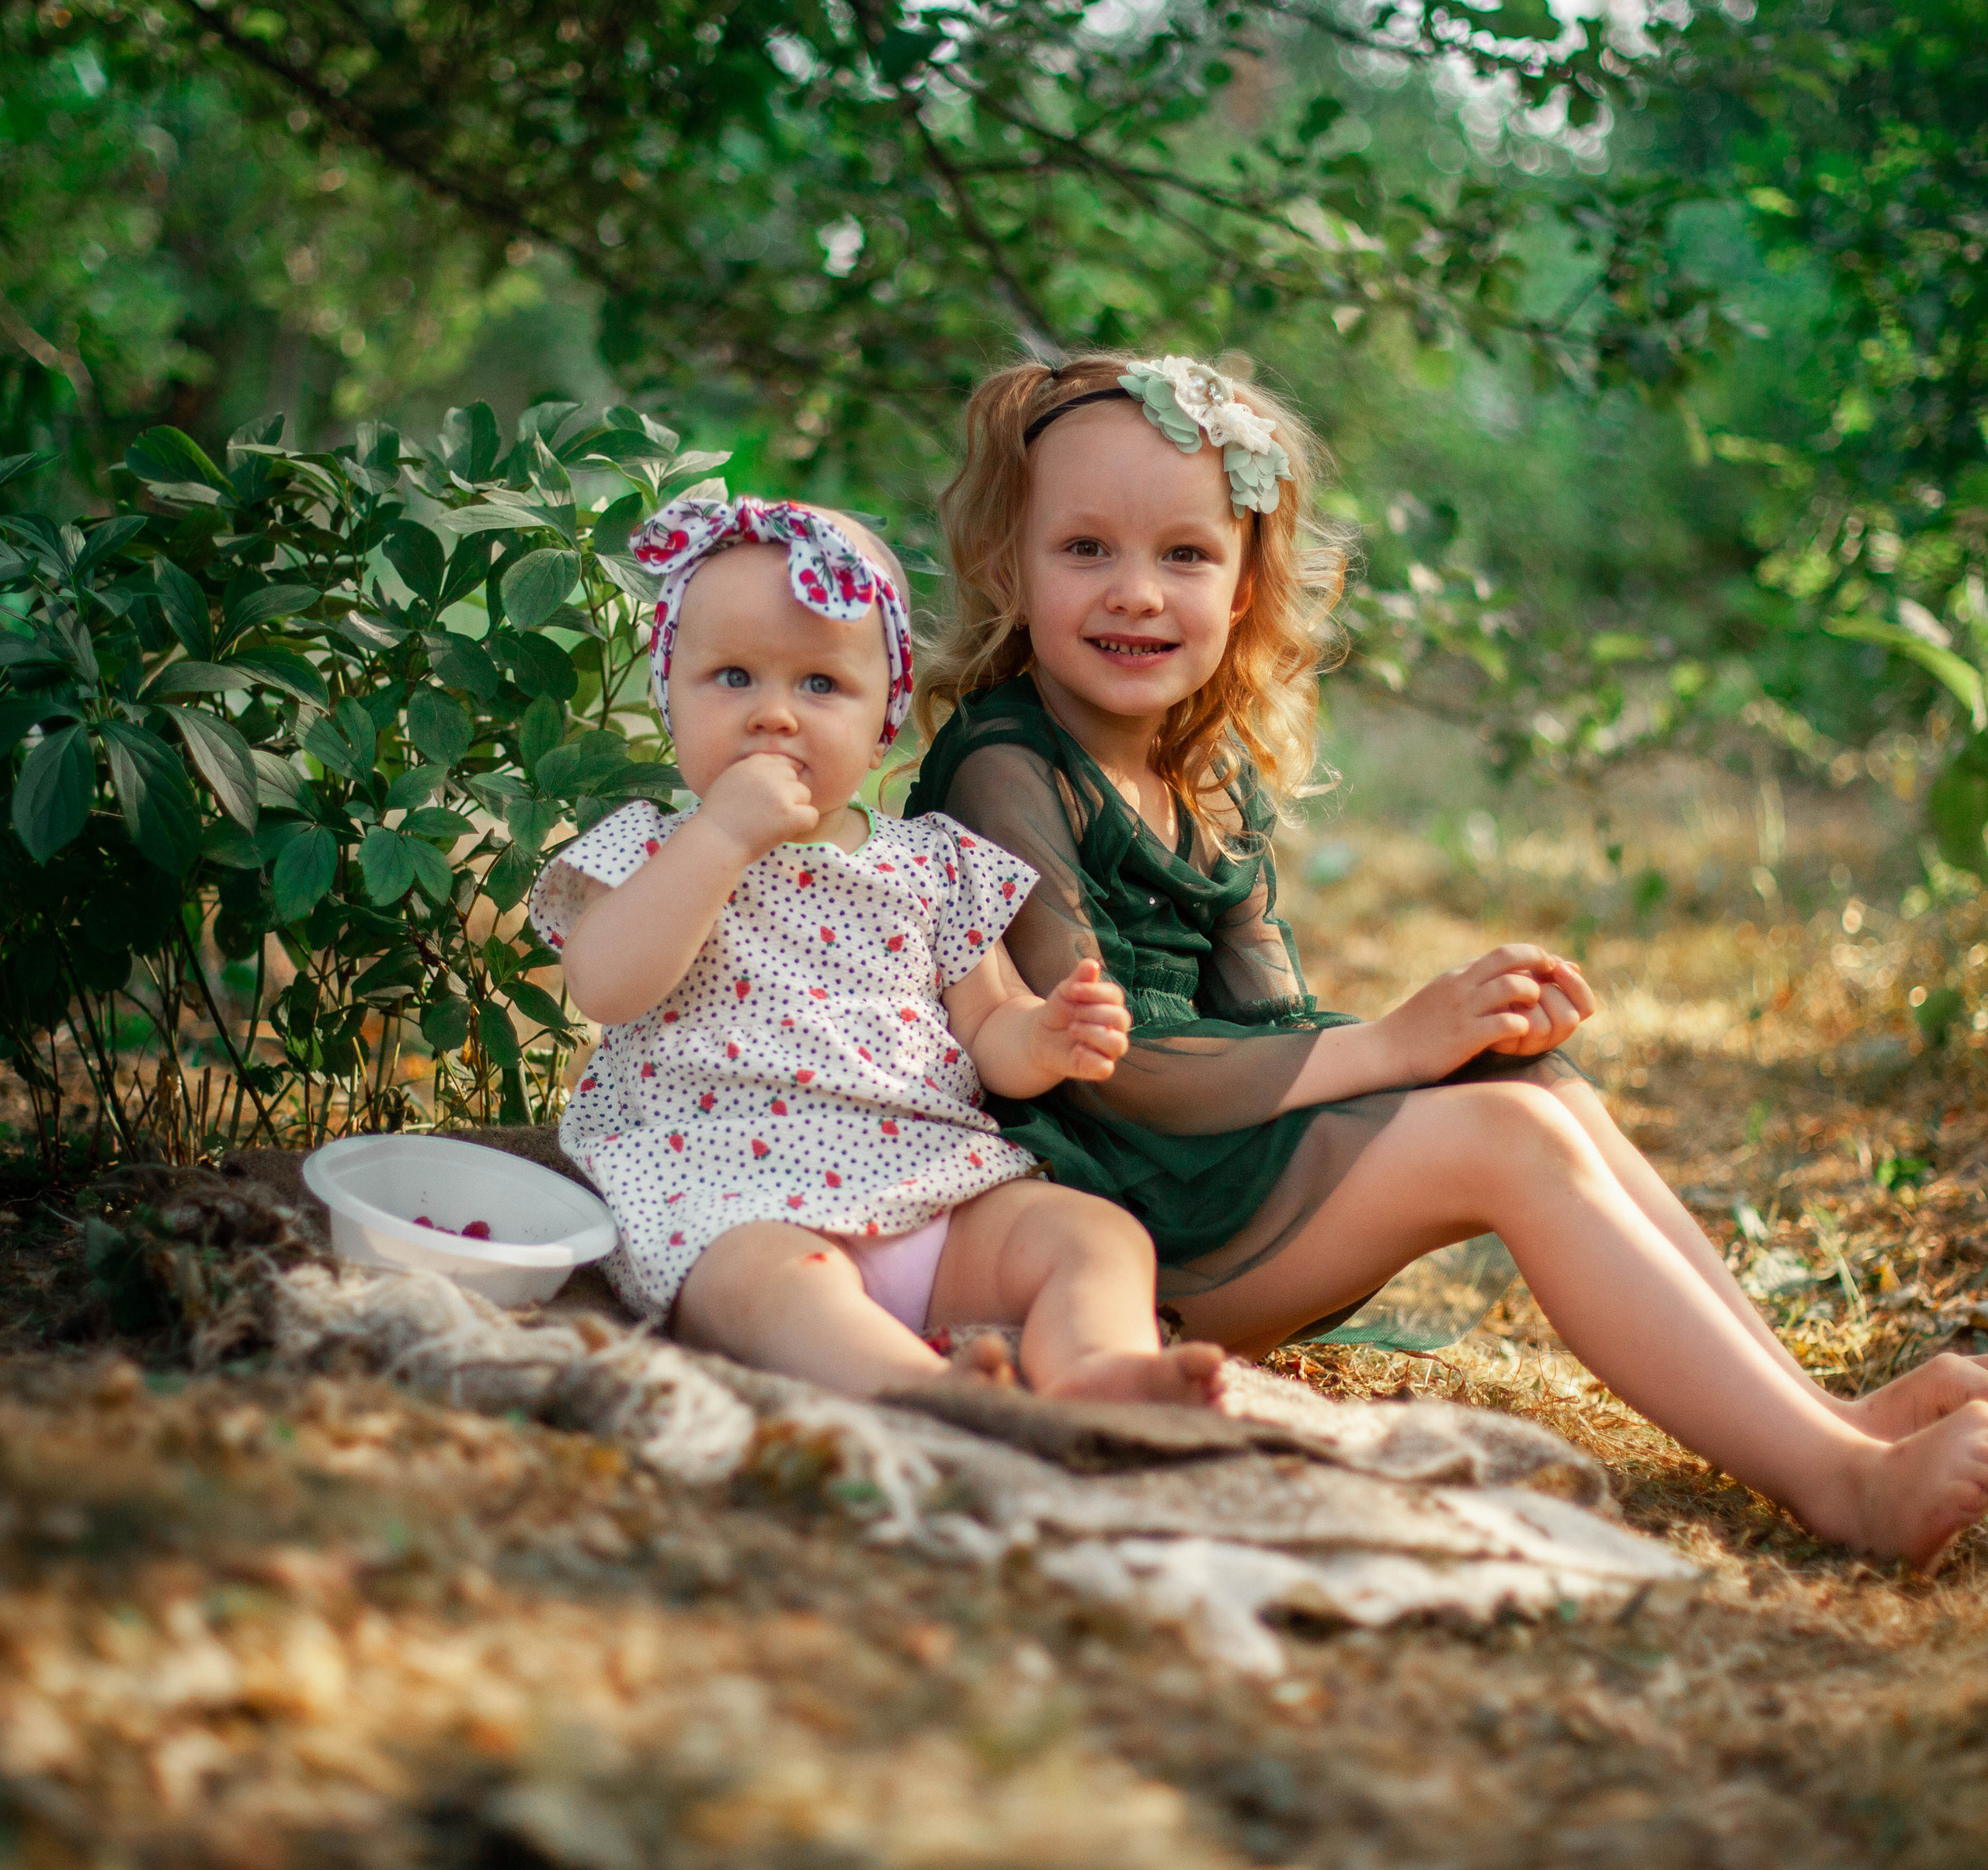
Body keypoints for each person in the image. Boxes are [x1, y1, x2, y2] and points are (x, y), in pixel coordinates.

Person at [904, 349, 1988, 1566]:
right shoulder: (1006, 770)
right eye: (1085, 550)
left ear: (1250, 584)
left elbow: (1271, 1025)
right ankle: (1841, 1486)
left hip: (1199, 1180)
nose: (1136, 594)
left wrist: (1457, 1047)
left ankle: (1820, 1419)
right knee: (1506, 1140)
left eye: (1186, 555)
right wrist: (1393, 1049)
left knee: (1537, 1090)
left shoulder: (1198, 779)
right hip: (1102, 1220)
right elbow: (1113, 1067)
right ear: (1011, 565)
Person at [528, 492, 1226, 1406]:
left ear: (882, 717)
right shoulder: (655, 850)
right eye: (733, 677)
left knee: (1094, 1237)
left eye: (820, 685)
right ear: (671, 691)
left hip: (930, 1190)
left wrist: (1045, 1035)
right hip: (735, 1198)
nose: (774, 715)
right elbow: (605, 986)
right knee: (763, 1289)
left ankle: (1096, 1368)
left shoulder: (930, 862)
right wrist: (721, 840)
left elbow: (989, 1025)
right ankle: (925, 1390)